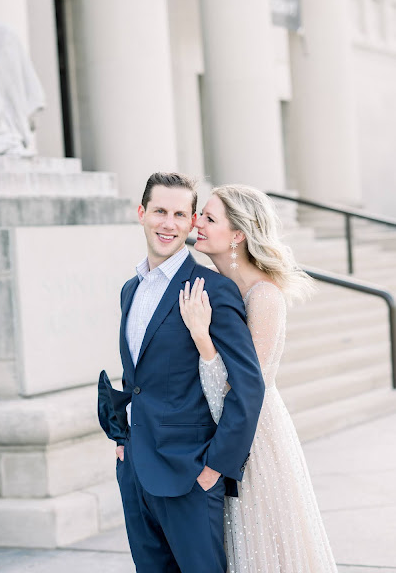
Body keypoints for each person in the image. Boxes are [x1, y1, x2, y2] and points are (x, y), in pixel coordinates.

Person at [98, 173, 265, 573]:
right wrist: (124, 443)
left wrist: (215, 469)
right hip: (136, 471)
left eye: (179, 214)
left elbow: (249, 386)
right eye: (159, 211)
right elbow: (136, 376)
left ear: (192, 222)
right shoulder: (129, 289)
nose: (167, 223)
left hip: (190, 475)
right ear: (141, 214)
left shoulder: (213, 289)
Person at [180, 184, 338, 573]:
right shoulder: (220, 287)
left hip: (254, 440)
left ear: (238, 235)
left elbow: (244, 391)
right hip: (223, 432)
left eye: (210, 218)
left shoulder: (263, 297)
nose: (196, 222)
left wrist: (202, 338)